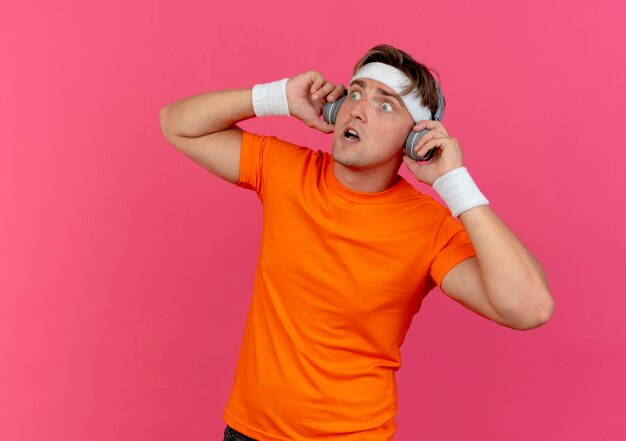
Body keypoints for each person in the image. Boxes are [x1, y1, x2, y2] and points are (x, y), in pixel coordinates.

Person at [160, 44, 554, 441]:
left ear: (415, 139)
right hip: (248, 432)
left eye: (386, 105)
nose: (358, 108)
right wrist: (277, 97)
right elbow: (176, 123)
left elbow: (529, 308)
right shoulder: (287, 171)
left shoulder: (429, 228)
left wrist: (455, 184)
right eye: (355, 92)